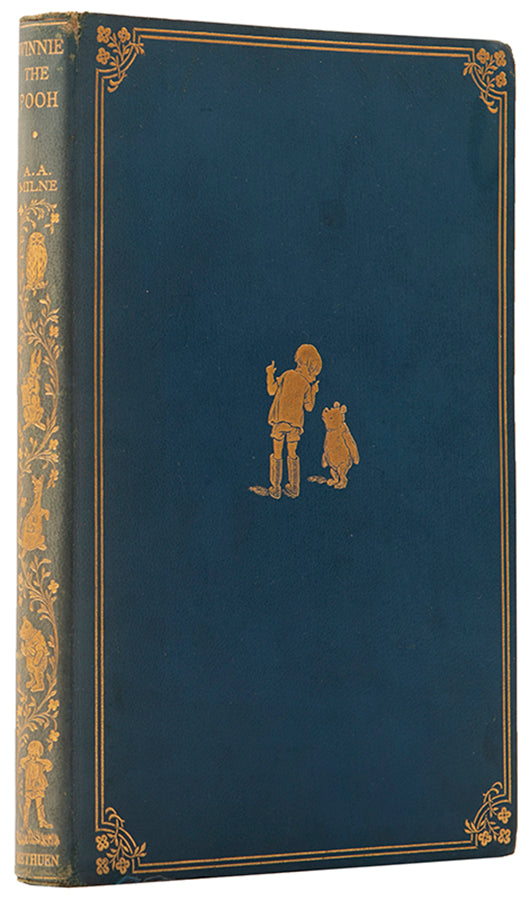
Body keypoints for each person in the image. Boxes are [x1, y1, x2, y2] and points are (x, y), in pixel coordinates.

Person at [264, 343, 322, 499]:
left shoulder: (287, 375)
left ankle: (275, 488)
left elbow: (271, 390)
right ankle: (294, 488)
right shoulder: (306, 385)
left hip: (280, 422)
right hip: (295, 425)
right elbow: (309, 407)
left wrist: (270, 374)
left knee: (277, 453)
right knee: (292, 453)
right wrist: (314, 392)